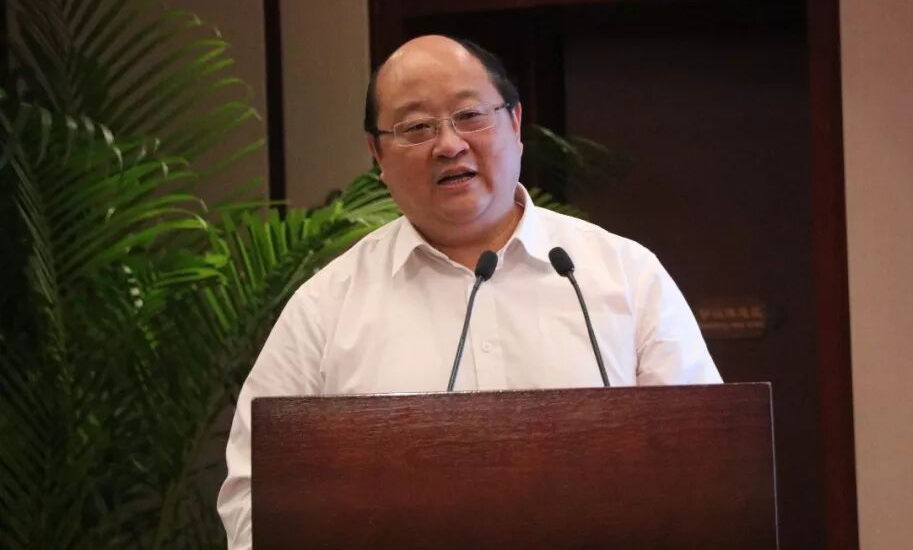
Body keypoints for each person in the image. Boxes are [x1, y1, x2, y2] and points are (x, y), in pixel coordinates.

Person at [216, 35, 720, 548]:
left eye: (470, 115)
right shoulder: (326, 307)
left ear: (515, 124)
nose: (449, 145)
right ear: (377, 154)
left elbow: (705, 464)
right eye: (417, 127)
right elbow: (254, 495)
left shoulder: (626, 276)